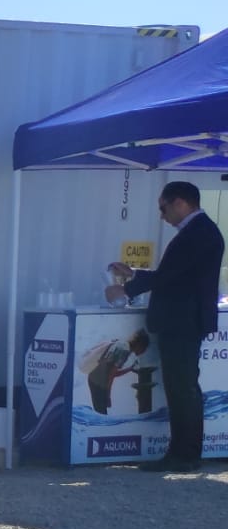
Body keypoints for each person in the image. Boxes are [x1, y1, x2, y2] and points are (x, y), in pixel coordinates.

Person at [107, 179, 224, 471]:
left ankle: (184, 455)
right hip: (181, 320)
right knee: (180, 388)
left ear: (180, 203)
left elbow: (171, 277)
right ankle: (182, 452)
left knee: (182, 389)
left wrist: (127, 289)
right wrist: (135, 273)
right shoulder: (198, 232)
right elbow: (173, 273)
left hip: (183, 322)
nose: (161, 215)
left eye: (163, 207)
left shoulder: (199, 233)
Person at [82, 330, 150, 415]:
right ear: (140, 345)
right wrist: (108, 396)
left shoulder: (121, 344)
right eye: (145, 348)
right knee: (101, 414)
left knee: (100, 412)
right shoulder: (125, 351)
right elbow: (111, 375)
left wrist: (129, 369)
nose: (144, 351)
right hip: (98, 382)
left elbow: (112, 373)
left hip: (94, 378)